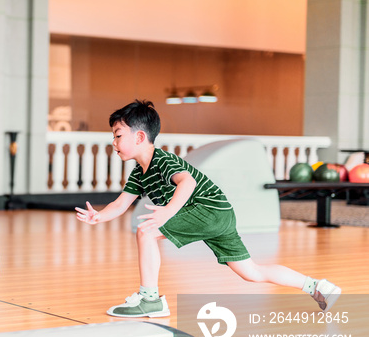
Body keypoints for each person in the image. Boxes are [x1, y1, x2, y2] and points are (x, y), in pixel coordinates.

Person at [75, 100, 341, 318]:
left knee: (147, 231)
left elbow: (187, 182)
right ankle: (318, 287)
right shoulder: (140, 172)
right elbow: (121, 203)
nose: (114, 141)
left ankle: (150, 299)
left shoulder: (163, 160)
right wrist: (99, 216)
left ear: (140, 136)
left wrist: (167, 212)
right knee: (252, 273)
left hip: (209, 210)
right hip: (221, 214)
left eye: (118, 135)